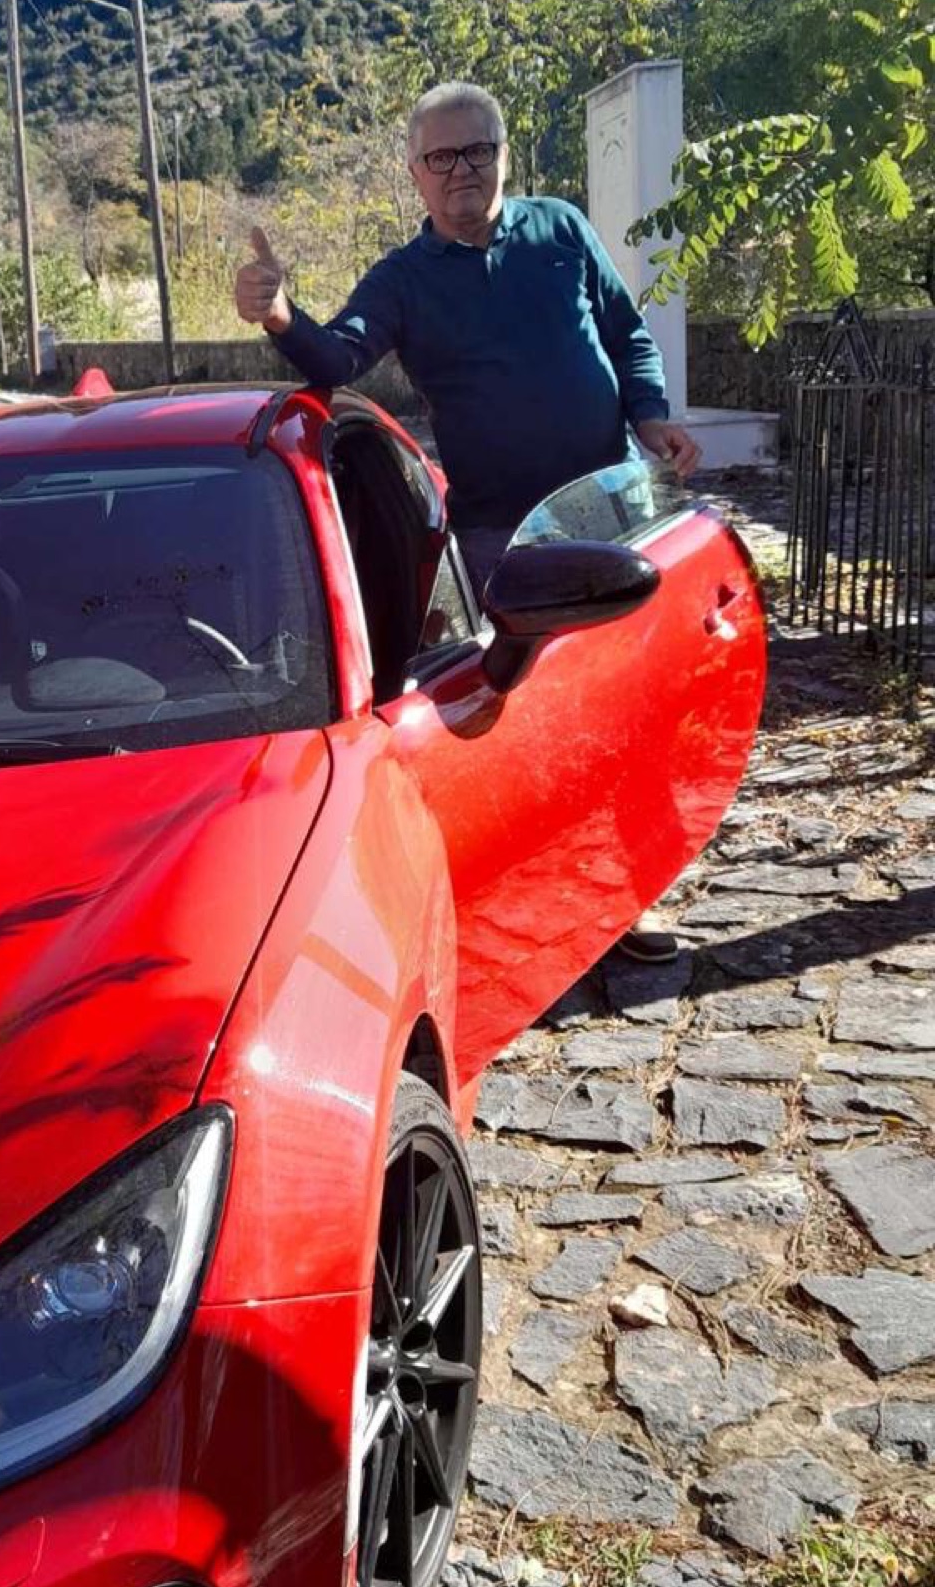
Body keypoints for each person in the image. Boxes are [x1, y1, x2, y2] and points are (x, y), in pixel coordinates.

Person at [235, 79, 699, 963]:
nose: (462, 170)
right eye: (442, 157)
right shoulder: (405, 279)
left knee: (630, 702)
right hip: (503, 538)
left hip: (611, 511)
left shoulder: (561, 229)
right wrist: (280, 313)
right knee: (544, 719)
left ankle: (629, 890)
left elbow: (625, 328)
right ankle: (552, 883)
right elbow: (337, 357)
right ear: (414, 174)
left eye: (477, 150)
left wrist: (653, 413)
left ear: (503, 155)